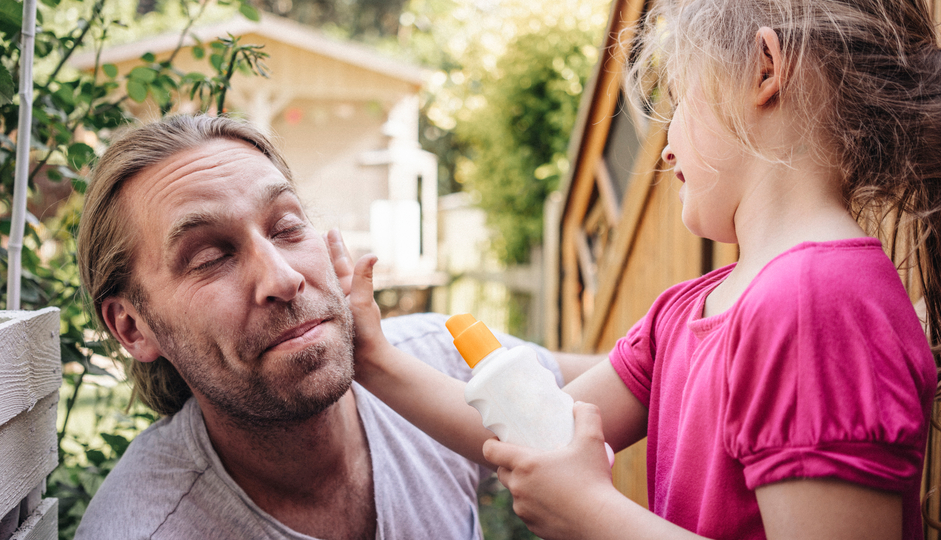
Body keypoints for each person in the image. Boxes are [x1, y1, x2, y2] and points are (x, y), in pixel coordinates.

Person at [344, 0, 941, 538]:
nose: (666, 147)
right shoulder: (690, 309)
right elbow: (536, 429)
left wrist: (591, 514)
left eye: (680, 98)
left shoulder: (820, 302)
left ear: (764, 69)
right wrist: (374, 358)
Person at [73, 114, 598, 539]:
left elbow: (646, 377)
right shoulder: (141, 528)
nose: (282, 278)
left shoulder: (431, 361)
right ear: (132, 327)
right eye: (210, 257)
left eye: (286, 226)